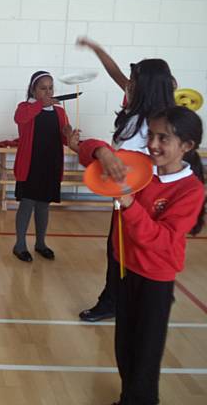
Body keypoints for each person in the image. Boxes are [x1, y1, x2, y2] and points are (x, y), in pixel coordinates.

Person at [77, 106, 205, 405]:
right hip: (126, 269)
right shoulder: (142, 167)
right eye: (151, 136)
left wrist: (130, 205)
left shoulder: (191, 190)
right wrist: (102, 153)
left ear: (186, 146)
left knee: (145, 354)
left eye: (164, 139)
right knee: (125, 346)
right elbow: (83, 149)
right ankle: (128, 397)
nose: (153, 144)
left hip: (155, 280)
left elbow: (160, 240)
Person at [73, 37, 176, 321]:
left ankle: (117, 301)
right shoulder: (136, 107)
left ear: (147, 86)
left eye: (133, 80)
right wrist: (97, 50)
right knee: (118, 249)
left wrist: (98, 153)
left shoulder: (158, 120)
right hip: (127, 192)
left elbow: (128, 161)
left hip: (144, 195)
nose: (127, 84)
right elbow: (116, 74)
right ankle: (122, 299)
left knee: (127, 250)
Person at [12, 70, 71, 262]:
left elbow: (64, 138)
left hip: (50, 164)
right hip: (31, 164)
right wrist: (39, 105)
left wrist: (70, 135)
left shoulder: (60, 111)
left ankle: (40, 243)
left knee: (44, 206)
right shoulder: (25, 107)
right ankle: (20, 244)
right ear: (33, 90)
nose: (48, 92)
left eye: (51, 88)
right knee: (27, 204)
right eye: (43, 88)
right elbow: (20, 119)